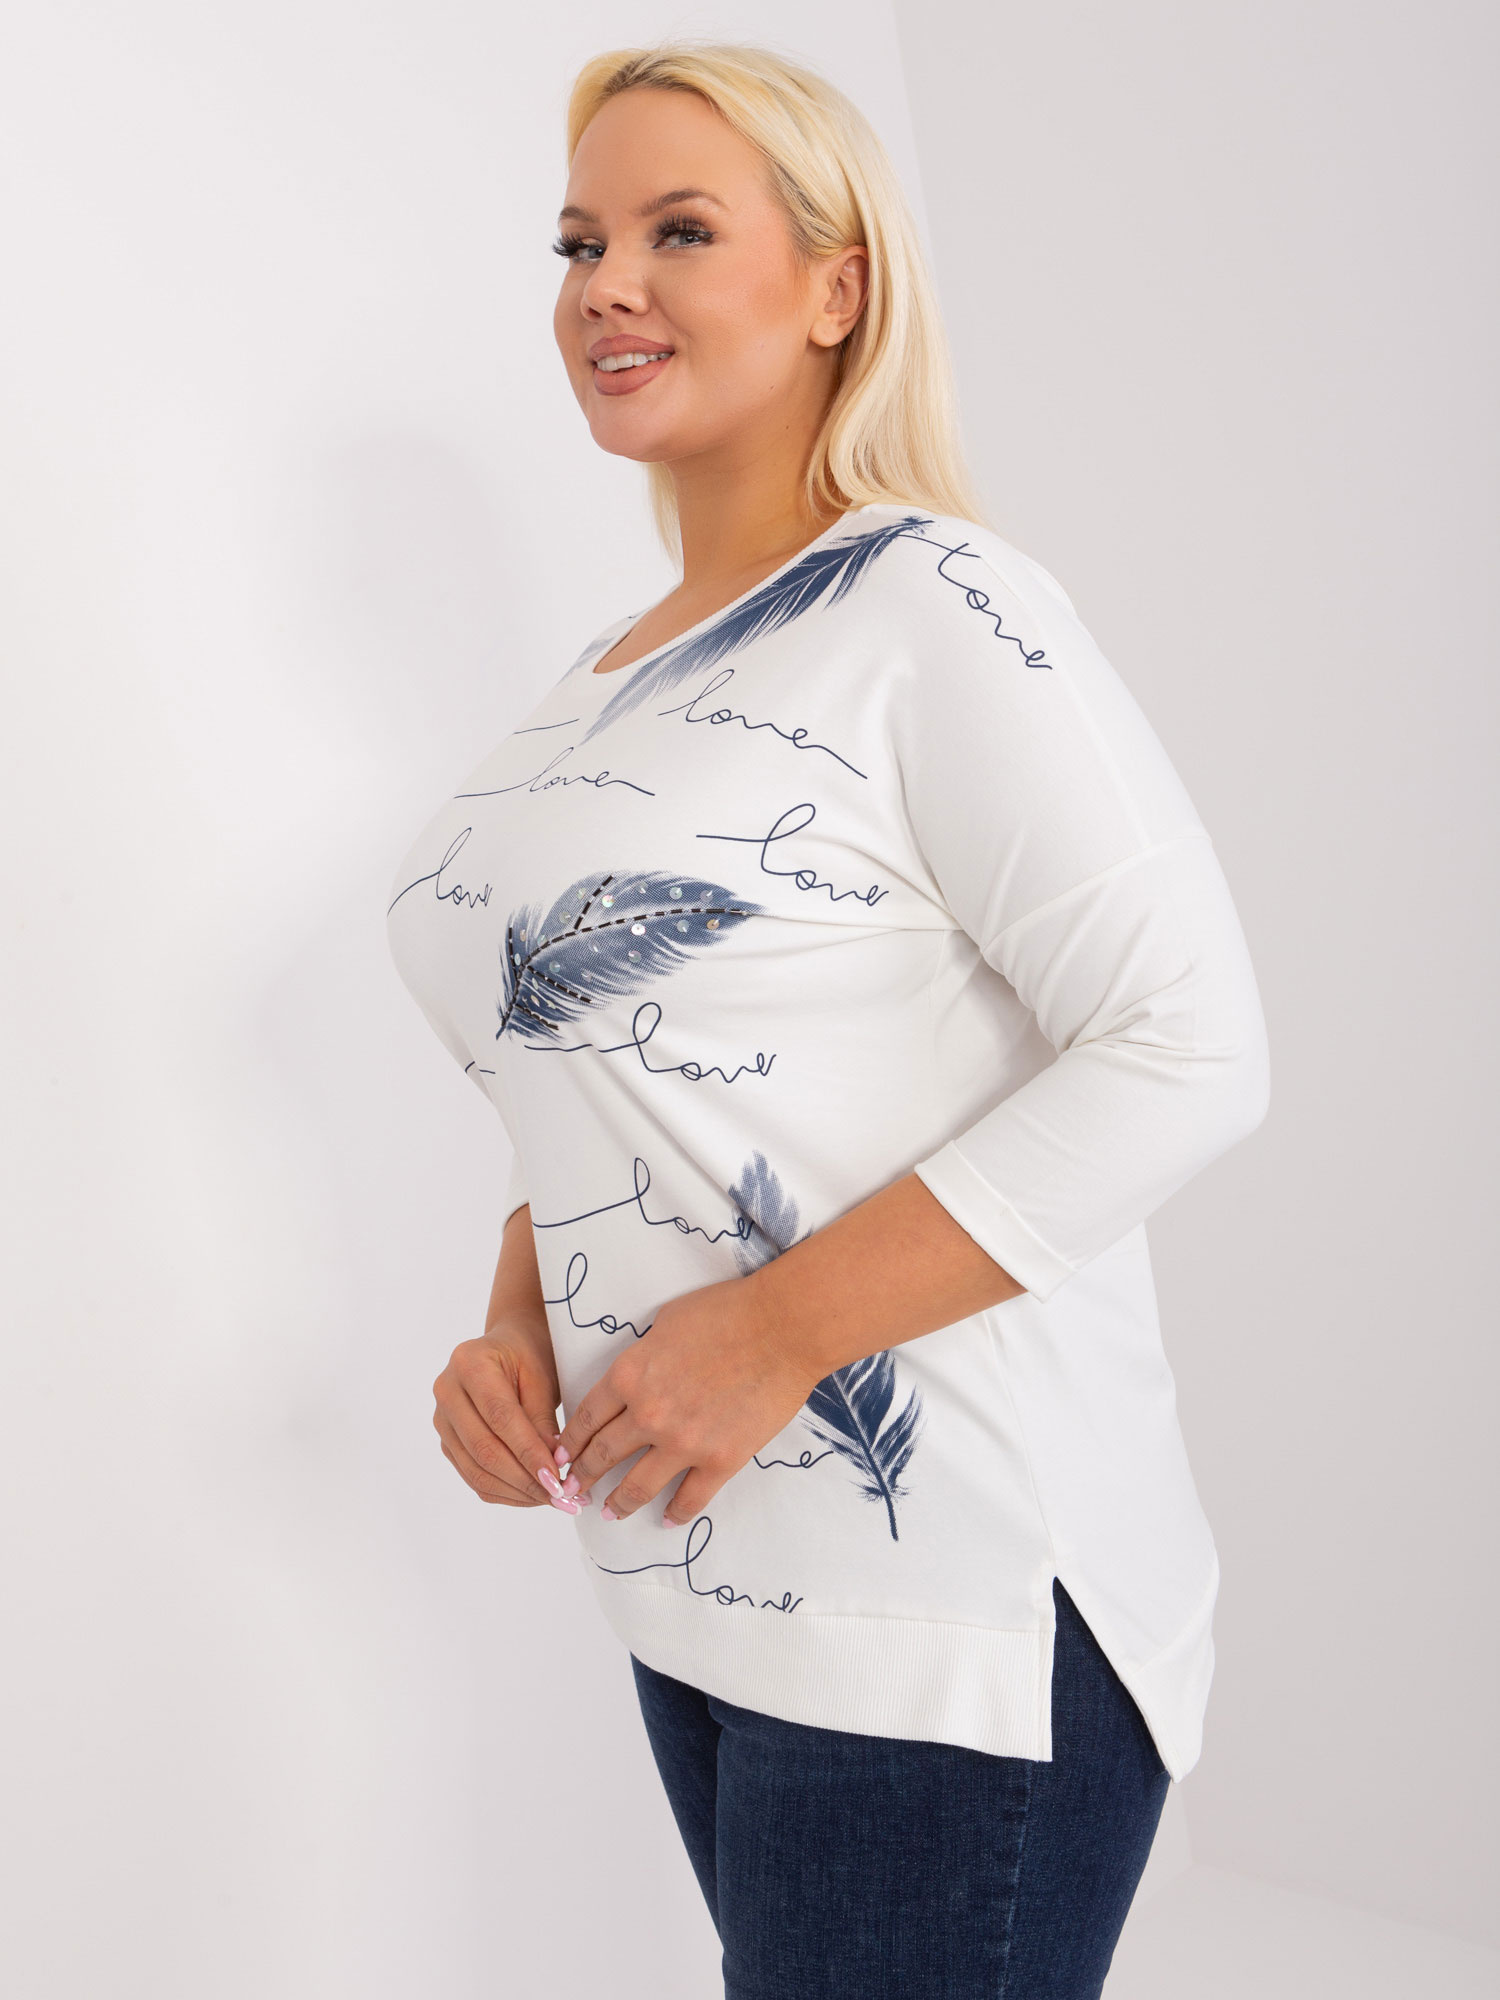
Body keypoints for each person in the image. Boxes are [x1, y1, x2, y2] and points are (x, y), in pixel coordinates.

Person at [385, 39, 1270, 2000]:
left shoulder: (934, 607)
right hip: (710, 1589)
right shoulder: (607, 684)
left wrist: (776, 1331)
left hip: (947, 1606)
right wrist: (522, 1316)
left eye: (679, 232)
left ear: (837, 283)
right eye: (579, 242)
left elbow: (1189, 1044)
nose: (608, 285)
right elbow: (614, 1081)